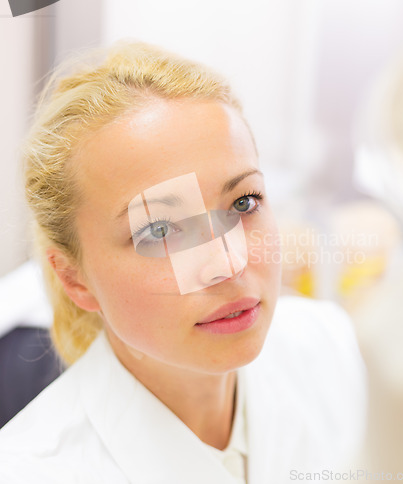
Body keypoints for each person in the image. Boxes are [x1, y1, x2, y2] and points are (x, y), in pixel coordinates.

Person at [0, 41, 366, 483]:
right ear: (75, 280)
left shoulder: (328, 349)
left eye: (244, 202)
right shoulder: (31, 471)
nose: (228, 263)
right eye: (159, 231)